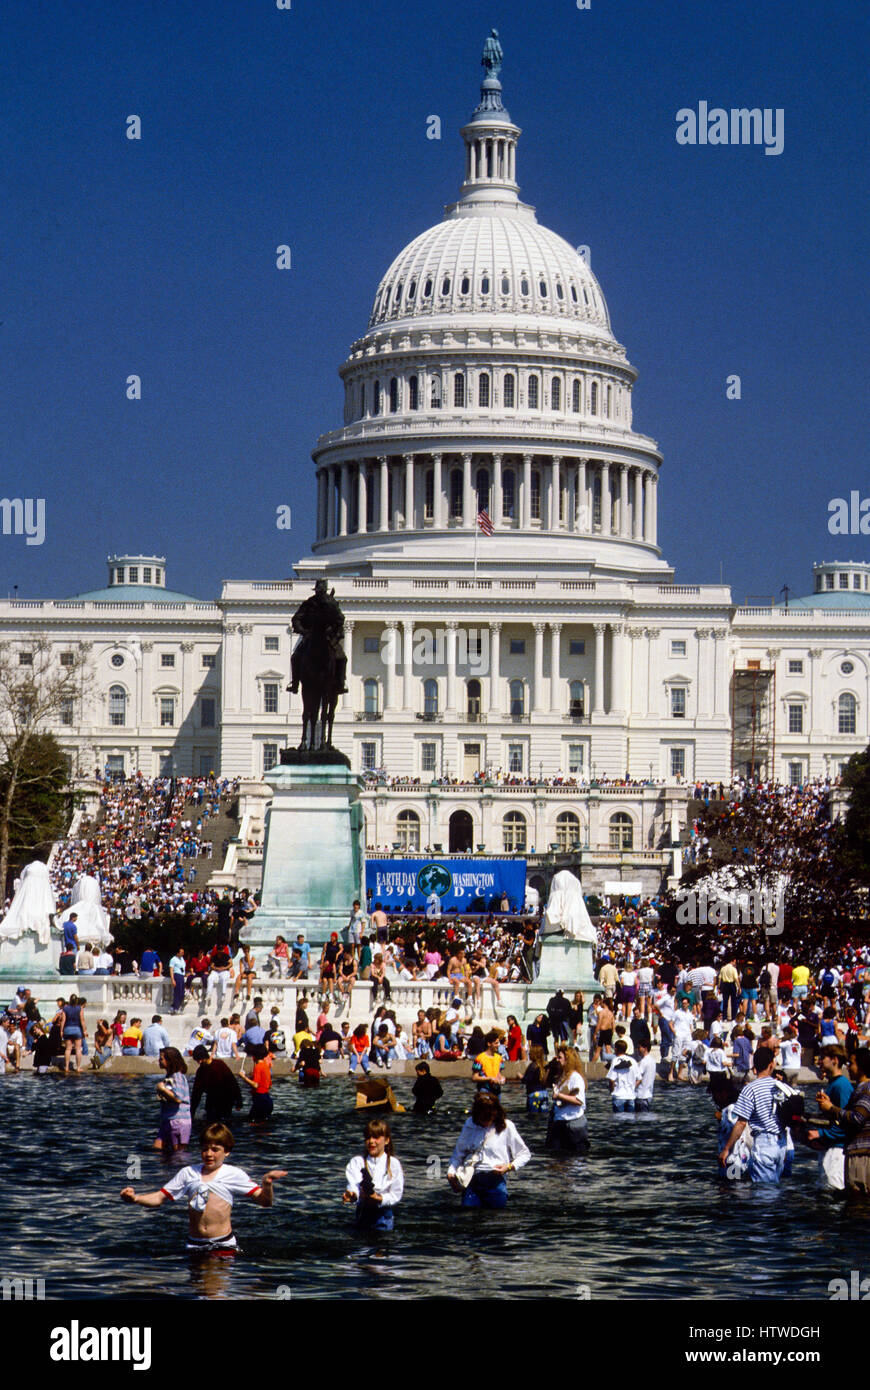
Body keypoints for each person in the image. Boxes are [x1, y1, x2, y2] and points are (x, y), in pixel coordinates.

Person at [120, 1122, 287, 1257]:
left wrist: (267, 1183)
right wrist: (136, 1199)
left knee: (213, 1292)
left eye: (215, 1150)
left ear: (227, 1152)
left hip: (222, 1243)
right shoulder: (188, 1173)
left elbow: (265, 1202)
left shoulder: (233, 1174)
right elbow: (159, 1198)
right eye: (205, 1148)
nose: (208, 1154)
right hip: (194, 1244)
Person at [447, 1092, 531, 1209]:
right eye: (482, 1118)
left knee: (495, 1219)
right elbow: (458, 1154)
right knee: (467, 1217)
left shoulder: (507, 1127)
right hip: (472, 1182)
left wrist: (509, 1166)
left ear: (496, 1113)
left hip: (496, 1183)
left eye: (489, 1118)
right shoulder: (470, 1125)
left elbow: (524, 1154)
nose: (485, 1122)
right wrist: (451, 1172)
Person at [719, 1044, 787, 1184]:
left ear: (754, 1065)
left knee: (764, 1193)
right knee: (776, 1188)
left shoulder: (750, 1089)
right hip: (781, 1144)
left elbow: (741, 1123)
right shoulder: (781, 1087)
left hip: (764, 1142)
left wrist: (727, 1148)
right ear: (771, 1065)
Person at [817, 1045, 870, 1196]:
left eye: (852, 1064)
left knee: (859, 1197)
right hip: (855, 1150)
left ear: (861, 1067)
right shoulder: (859, 1088)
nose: (849, 1067)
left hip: (862, 1153)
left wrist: (831, 1109)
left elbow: (857, 1117)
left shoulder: (866, 1089)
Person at [801, 1044, 853, 1190]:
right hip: (829, 1146)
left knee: (833, 1189)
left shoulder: (841, 1085)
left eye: (823, 1058)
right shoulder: (833, 1084)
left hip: (837, 1150)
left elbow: (846, 1122)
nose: (819, 1061)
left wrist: (820, 1133)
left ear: (835, 1060)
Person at [343, 1119, 404, 1232]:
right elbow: (353, 1186)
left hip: (383, 1216)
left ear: (386, 1140)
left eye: (376, 1137)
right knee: (361, 1247)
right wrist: (352, 1195)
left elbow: (396, 1195)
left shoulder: (393, 1164)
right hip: (362, 1214)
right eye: (368, 1137)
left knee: (380, 1246)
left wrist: (378, 1198)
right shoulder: (357, 1162)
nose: (371, 1141)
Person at [547, 1045, 589, 1152]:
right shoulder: (562, 1076)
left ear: (568, 1059)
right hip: (560, 1121)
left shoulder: (575, 1077)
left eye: (560, 1057)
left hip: (573, 1124)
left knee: (574, 1155)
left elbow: (579, 1101)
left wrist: (559, 1096)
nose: (558, 1059)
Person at [190, 1046, 244, 1124]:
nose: (200, 1062)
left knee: (223, 1121)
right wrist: (192, 1112)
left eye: (201, 1059)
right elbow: (196, 1093)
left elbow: (232, 1083)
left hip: (225, 1099)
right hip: (211, 1100)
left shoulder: (219, 1064)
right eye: (198, 1060)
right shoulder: (200, 1071)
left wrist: (239, 1101)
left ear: (205, 1056)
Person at [154, 1048, 192, 1152]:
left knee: (178, 1154)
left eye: (161, 1059)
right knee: (157, 1149)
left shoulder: (178, 1076)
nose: (159, 1061)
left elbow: (178, 1098)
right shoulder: (170, 1076)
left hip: (178, 1121)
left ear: (170, 1060)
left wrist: (163, 1089)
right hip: (168, 1119)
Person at [240, 1043, 274, 1123]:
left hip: (260, 1099)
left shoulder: (258, 1067)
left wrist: (244, 1077)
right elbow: (269, 1086)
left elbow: (256, 1085)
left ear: (253, 1056)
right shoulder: (266, 1066)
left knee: (254, 1124)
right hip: (267, 1099)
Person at [608, 1040, 640, 1113]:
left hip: (619, 1096)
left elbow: (611, 1080)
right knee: (630, 1122)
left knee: (619, 1122)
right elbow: (639, 1079)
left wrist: (612, 1091)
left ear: (616, 1049)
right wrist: (632, 1088)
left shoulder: (615, 1060)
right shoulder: (633, 1061)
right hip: (631, 1096)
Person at [472, 1029, 505, 1094]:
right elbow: (474, 1077)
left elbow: (498, 1073)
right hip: (484, 1089)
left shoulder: (499, 1058)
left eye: (498, 1043)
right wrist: (489, 1078)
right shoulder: (480, 1058)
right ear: (489, 1044)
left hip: (497, 1090)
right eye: (496, 1043)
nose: (498, 1045)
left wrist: (501, 1078)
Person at [61, 995, 87, 1073]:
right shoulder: (80, 1008)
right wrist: (85, 1030)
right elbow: (82, 1020)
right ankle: (78, 1067)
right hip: (77, 1029)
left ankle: (66, 1067)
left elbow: (63, 1020)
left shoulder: (65, 1008)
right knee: (78, 1049)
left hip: (67, 1029)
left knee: (68, 1049)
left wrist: (61, 1030)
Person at [634, 1040, 657, 1112]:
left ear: (645, 1048)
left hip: (641, 1095)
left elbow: (638, 1077)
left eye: (639, 1047)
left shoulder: (644, 1061)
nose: (637, 1050)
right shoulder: (652, 1060)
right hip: (648, 1094)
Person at [169, 948, 186, 1014]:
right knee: (177, 992)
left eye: (183, 952)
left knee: (182, 993)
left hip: (182, 976)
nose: (183, 954)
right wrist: (172, 979)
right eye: (181, 952)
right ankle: (175, 1007)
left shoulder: (182, 959)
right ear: (177, 953)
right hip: (177, 975)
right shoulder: (173, 959)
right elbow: (171, 969)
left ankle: (176, 1006)